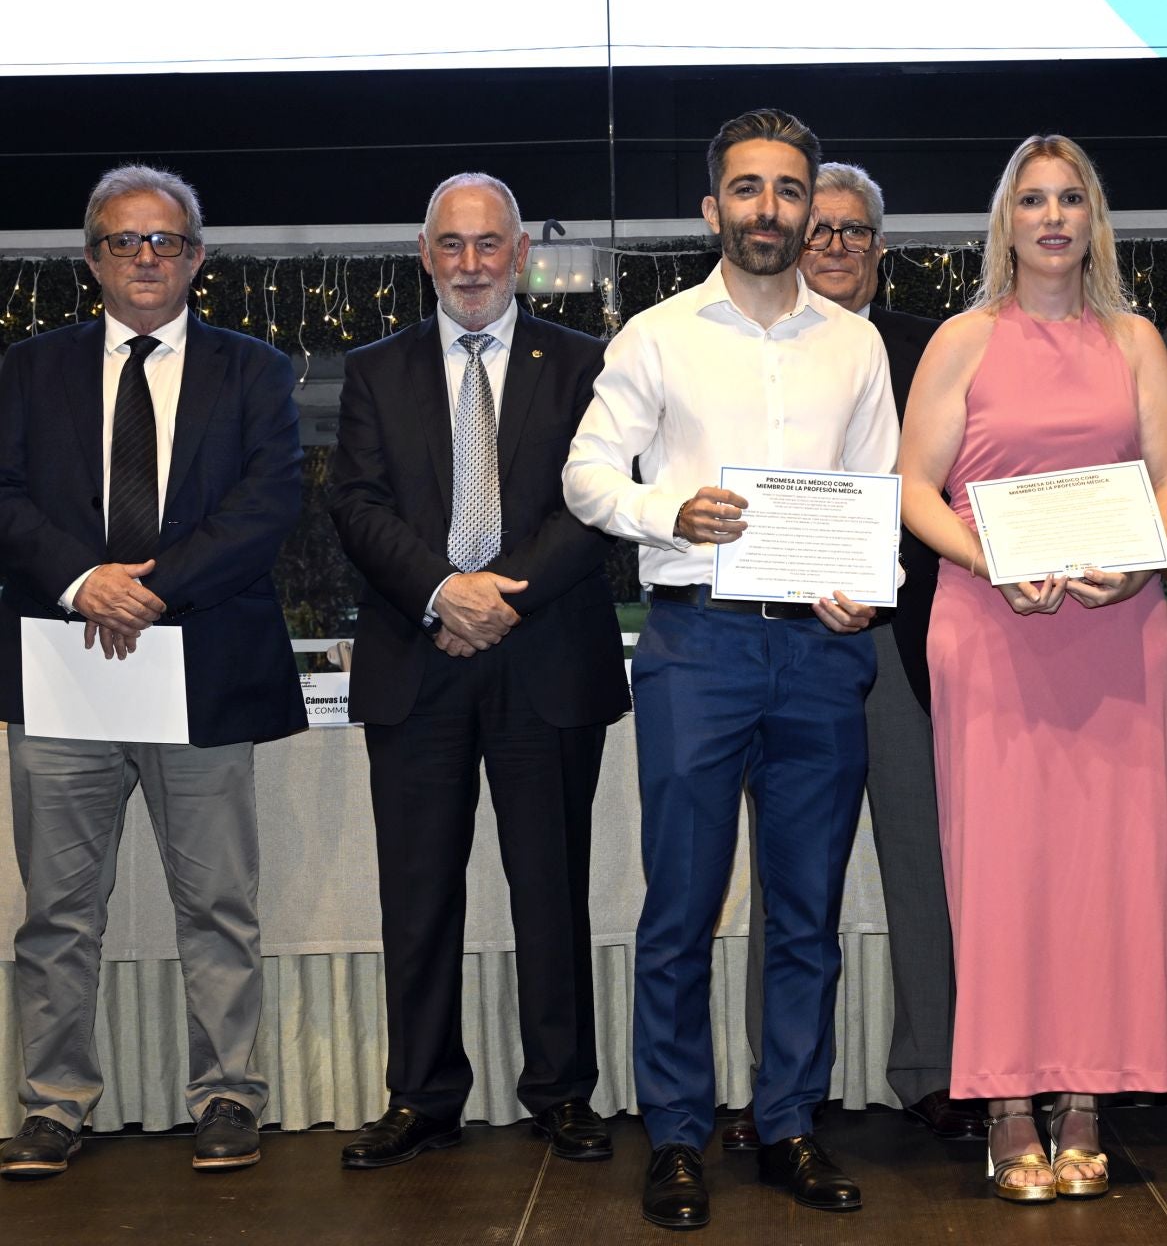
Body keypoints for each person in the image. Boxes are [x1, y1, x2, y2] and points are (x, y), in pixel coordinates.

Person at [564, 108, 897, 1231]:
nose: (769, 208)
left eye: (789, 190)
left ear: (813, 207)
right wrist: (672, 508)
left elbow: (879, 496)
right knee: (683, 908)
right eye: (747, 189)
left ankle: (791, 1121)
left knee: (806, 911)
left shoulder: (856, 345)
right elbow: (586, 474)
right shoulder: (656, 336)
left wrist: (866, 585)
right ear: (714, 208)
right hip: (695, 645)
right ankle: (674, 1134)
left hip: (819, 651)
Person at [0, 165, 305, 1177]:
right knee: (56, 913)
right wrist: (85, 578)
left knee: (217, 903)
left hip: (202, 666)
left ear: (196, 258)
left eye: (164, 241)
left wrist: (153, 588)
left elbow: (266, 507)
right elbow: (2, 495)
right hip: (64, 672)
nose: (145, 257)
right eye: (124, 241)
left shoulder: (255, 369)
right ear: (93, 259)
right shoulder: (27, 369)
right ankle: (52, 1104)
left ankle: (226, 1094)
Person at [898, 134, 1167, 1203]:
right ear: (1005, 220)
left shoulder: (1137, 339)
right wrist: (989, 557)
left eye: (1071, 198)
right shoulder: (962, 341)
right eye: (1033, 200)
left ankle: (1089, 1099)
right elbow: (914, 489)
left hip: (1116, 630)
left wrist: (1137, 563)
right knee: (1003, 870)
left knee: (1109, 870)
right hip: (988, 623)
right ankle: (1009, 1101)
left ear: (1094, 218)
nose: (1053, 217)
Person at [327, 173, 629, 1169]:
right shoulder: (375, 369)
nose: (469, 264)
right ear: (425, 255)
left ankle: (560, 1089)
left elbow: (594, 504)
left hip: (543, 658)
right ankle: (422, 1094)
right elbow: (358, 506)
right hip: (418, 658)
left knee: (551, 886)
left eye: (488, 244)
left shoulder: (587, 362)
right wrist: (445, 594)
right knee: (416, 892)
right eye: (450, 245)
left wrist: (498, 594)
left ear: (519, 255)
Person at [724, 161, 982, 1151]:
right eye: (816, 228)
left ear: (880, 246)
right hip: (782, 644)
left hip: (906, 644)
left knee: (929, 867)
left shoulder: (935, 351)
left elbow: (959, 484)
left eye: (851, 231)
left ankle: (938, 1070)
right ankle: (781, 1085)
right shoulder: (758, 347)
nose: (831, 244)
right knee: (791, 879)